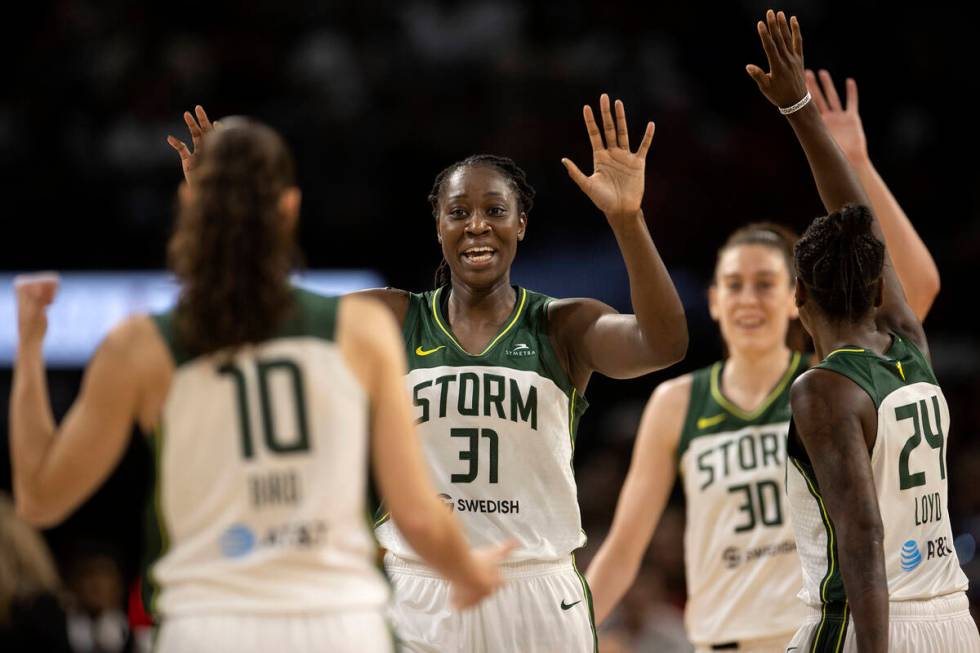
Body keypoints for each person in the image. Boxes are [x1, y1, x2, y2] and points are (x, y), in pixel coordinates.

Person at [171, 94, 688, 651]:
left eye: (494, 210)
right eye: (459, 212)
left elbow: (663, 343)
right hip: (417, 588)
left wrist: (627, 220)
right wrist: (223, 219)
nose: (476, 227)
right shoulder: (390, 319)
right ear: (438, 224)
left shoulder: (564, 324)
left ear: (521, 223)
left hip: (537, 586)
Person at [10, 117, 508, 653]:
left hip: (208, 624)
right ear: (289, 207)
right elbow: (414, 512)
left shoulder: (140, 347)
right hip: (341, 623)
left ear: (191, 212)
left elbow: (39, 500)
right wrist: (470, 571)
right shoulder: (361, 330)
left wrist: (32, 345)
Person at [586, 52, 941, 653]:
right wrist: (562, 632)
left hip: (822, 634)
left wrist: (858, 165)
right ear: (714, 302)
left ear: (795, 300)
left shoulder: (833, 386)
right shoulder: (679, 401)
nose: (748, 298)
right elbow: (622, 550)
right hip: (727, 642)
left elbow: (917, 288)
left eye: (765, 283)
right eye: (733, 284)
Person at [747, 10, 980, 652]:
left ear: (798, 298)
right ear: (880, 286)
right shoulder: (912, 347)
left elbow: (864, 536)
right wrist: (800, 108)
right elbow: (860, 219)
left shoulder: (824, 390)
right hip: (954, 621)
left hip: (869, 627)